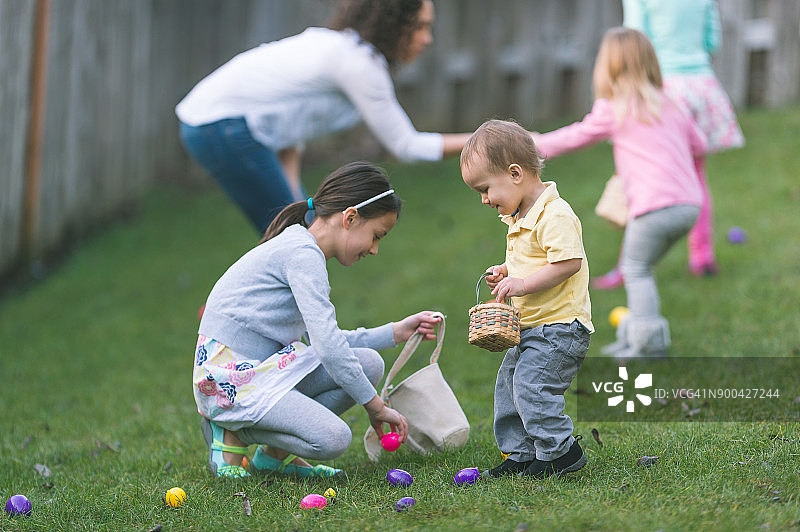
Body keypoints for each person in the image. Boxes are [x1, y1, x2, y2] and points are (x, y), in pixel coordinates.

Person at [192, 161, 442, 478]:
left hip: (265, 370)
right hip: (229, 380)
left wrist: (395, 332)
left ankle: (273, 457)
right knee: (334, 439)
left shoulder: (302, 248)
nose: (375, 249)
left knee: (369, 364)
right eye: (376, 236)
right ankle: (231, 429)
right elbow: (328, 348)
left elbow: (328, 342)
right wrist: (375, 407)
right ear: (350, 217)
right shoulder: (302, 254)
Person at [176, 0, 472, 234]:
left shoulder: (344, 50)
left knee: (301, 230)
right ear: (394, 25)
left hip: (212, 125)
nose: (428, 39)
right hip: (219, 126)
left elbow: (290, 126)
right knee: (298, 239)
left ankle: (237, 309)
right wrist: (485, 138)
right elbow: (407, 147)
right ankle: (233, 310)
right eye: (419, 27)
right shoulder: (358, 62)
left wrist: (292, 195)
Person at [534, 27, 708, 359]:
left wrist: (537, 143)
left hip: (654, 208)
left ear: (608, 68)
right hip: (688, 204)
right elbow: (699, 144)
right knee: (641, 267)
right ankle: (634, 336)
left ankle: (648, 345)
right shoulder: (671, 102)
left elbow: (577, 135)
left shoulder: (614, 107)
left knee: (636, 271)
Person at [460, 119, 593, 479]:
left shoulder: (555, 214)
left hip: (561, 327)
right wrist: (507, 270)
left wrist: (521, 285)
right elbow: (532, 258)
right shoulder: (520, 217)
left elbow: (567, 263)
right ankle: (519, 454)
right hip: (531, 327)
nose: (484, 199)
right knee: (509, 388)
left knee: (532, 387)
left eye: (486, 188)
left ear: (515, 173)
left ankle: (559, 452)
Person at [592, 0, 745, 287]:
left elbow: (634, 40)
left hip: (660, 88)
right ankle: (702, 257)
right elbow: (713, 40)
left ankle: (629, 266)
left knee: (642, 176)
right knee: (696, 175)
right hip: (701, 85)